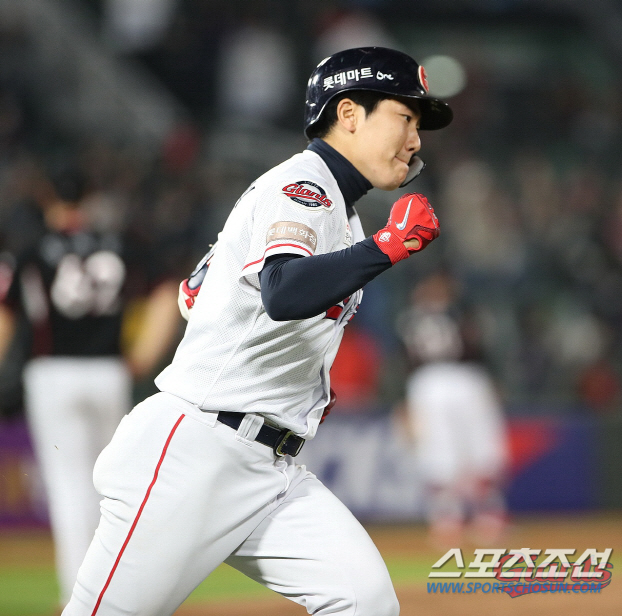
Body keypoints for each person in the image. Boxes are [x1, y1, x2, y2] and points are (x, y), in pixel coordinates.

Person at [62, 47, 452, 616]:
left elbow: (194, 296)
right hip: (196, 454)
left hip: (269, 469)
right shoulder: (305, 185)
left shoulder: (337, 210)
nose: (416, 139)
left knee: (364, 599)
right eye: (405, 117)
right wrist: (387, 246)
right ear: (348, 114)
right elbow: (284, 291)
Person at [0, 166, 181, 607]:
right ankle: (122, 590)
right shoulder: (119, 244)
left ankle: (80, 599)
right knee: (113, 485)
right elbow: (167, 294)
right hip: (108, 373)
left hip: (52, 373)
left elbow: (5, 316)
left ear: (48, 199)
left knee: (69, 488)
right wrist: (142, 355)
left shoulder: (31, 250)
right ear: (90, 198)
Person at [397, 272, 508, 548]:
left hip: (430, 383)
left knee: (450, 452)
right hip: (461, 379)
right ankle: (479, 518)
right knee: (472, 450)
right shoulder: (463, 311)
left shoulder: (409, 318)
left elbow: (404, 362)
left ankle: (451, 520)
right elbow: (479, 346)